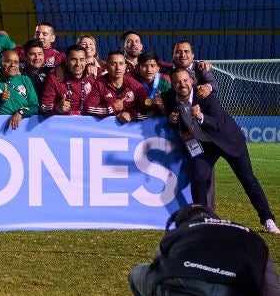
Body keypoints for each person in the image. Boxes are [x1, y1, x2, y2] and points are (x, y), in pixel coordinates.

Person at [163, 68, 279, 234]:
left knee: (247, 180)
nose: (182, 84)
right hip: (203, 146)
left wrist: (201, 116)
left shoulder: (204, 95)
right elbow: (153, 102)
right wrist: (169, 116)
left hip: (228, 140)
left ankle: (268, 220)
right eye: (177, 82)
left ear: (191, 81)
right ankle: (202, 220)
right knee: (198, 177)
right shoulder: (170, 98)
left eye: (185, 80)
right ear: (172, 85)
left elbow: (218, 123)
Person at [128, 203, 280, 295]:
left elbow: (159, 269)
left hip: (185, 286)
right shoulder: (251, 236)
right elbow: (272, 288)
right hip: (236, 289)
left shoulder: (181, 231)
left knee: (138, 272)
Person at [39, 45, 103, 116]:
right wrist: (56, 108)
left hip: (88, 123)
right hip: (63, 124)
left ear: (86, 61)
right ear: (66, 61)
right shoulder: (54, 77)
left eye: (82, 60)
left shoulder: (94, 75)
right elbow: (44, 107)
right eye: (73, 60)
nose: (78, 64)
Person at [0, 49, 39, 129]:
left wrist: (20, 113)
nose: (13, 65)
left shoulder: (25, 80)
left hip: (22, 128)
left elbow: (35, 106)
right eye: (9, 61)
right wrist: (0, 100)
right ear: (1, 63)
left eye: (16, 62)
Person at [98, 51, 150, 122]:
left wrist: (131, 115)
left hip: (129, 131)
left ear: (125, 66)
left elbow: (149, 110)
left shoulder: (136, 86)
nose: (118, 68)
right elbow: (88, 108)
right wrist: (112, 108)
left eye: (121, 64)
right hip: (105, 129)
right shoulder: (98, 83)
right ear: (107, 67)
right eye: (113, 64)